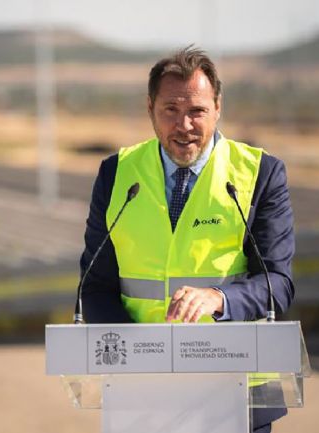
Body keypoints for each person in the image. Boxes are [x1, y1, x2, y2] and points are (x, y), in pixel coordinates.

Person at [79, 46, 294, 432]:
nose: (185, 126)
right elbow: (94, 287)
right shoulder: (115, 174)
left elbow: (278, 284)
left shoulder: (260, 174)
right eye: (170, 111)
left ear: (217, 107)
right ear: (150, 109)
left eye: (196, 111)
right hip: (141, 394)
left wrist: (219, 299)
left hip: (237, 388)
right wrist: (138, 358)